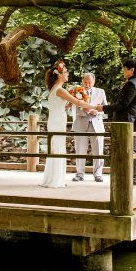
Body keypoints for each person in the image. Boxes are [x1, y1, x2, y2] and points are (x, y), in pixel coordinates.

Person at [40, 60, 95, 188]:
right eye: (65, 72)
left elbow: (61, 106)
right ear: (59, 75)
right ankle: (55, 180)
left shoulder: (55, 89)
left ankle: (53, 178)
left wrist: (68, 104)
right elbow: (79, 103)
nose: (67, 74)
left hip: (55, 119)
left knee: (55, 148)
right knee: (58, 148)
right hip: (57, 121)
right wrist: (95, 107)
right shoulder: (60, 90)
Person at [93, 58, 136, 186]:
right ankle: (130, 176)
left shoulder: (132, 84)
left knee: (129, 150)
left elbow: (123, 104)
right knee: (131, 149)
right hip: (133, 120)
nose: (123, 71)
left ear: (131, 70)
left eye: (124, 69)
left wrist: (103, 108)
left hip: (127, 121)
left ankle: (132, 177)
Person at [72, 73, 107, 183]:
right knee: (80, 150)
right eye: (85, 82)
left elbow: (106, 110)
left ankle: (98, 174)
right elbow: (74, 107)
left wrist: (96, 112)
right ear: (82, 81)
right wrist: (84, 110)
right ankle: (79, 174)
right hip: (81, 123)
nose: (87, 85)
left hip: (96, 124)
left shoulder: (101, 92)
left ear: (94, 82)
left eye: (90, 82)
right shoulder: (76, 91)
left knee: (98, 151)